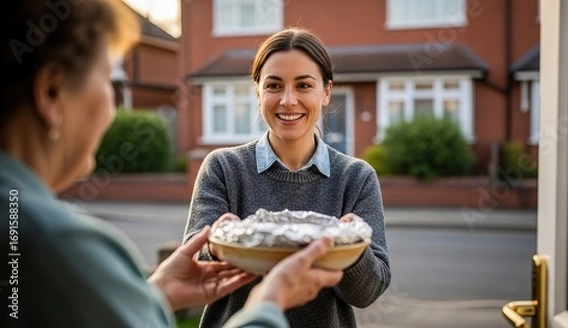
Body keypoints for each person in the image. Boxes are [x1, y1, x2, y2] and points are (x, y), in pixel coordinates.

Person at [0, 1, 342, 327]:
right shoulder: (53, 243)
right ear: (51, 92)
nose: (113, 107)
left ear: (326, 91)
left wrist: (158, 293)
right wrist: (269, 301)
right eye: (109, 81)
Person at [184, 27, 391, 328]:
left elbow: (368, 292)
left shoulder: (356, 178)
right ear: (258, 91)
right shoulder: (223, 168)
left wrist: (351, 245)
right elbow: (194, 275)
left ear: (326, 91)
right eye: (274, 86)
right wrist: (215, 246)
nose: (288, 100)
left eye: (304, 85)